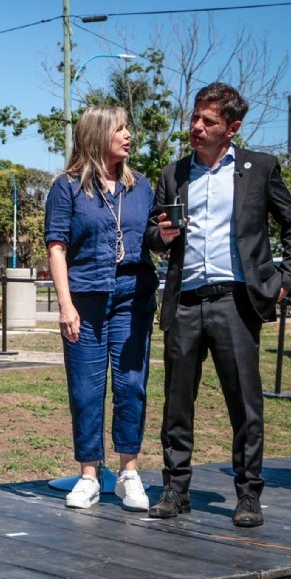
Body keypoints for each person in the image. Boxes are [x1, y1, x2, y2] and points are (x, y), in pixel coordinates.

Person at [145, 82, 291, 527]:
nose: (196, 127)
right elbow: (152, 236)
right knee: (177, 403)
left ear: (233, 128)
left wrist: (285, 281)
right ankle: (175, 490)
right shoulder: (174, 174)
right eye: (194, 117)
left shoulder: (260, 168)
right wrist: (162, 236)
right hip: (184, 302)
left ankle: (248, 495)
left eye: (208, 121)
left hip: (237, 302)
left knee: (245, 405)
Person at [44, 105, 158, 511]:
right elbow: (56, 247)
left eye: (128, 127)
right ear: (97, 136)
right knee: (86, 391)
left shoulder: (141, 186)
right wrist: (65, 306)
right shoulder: (67, 187)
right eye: (120, 129)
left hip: (133, 297)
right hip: (85, 300)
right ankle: (89, 476)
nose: (128, 135)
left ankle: (129, 473)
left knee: (131, 386)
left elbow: (154, 240)